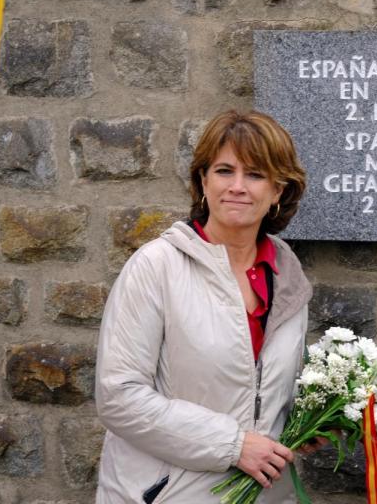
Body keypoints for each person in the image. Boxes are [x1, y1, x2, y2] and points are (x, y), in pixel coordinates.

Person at [95, 110, 312, 503]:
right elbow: (119, 396)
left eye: (256, 175)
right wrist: (233, 445)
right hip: (170, 495)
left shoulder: (287, 275)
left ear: (278, 191)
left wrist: (311, 423)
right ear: (203, 180)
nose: (238, 187)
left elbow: (265, 392)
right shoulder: (157, 266)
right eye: (225, 171)